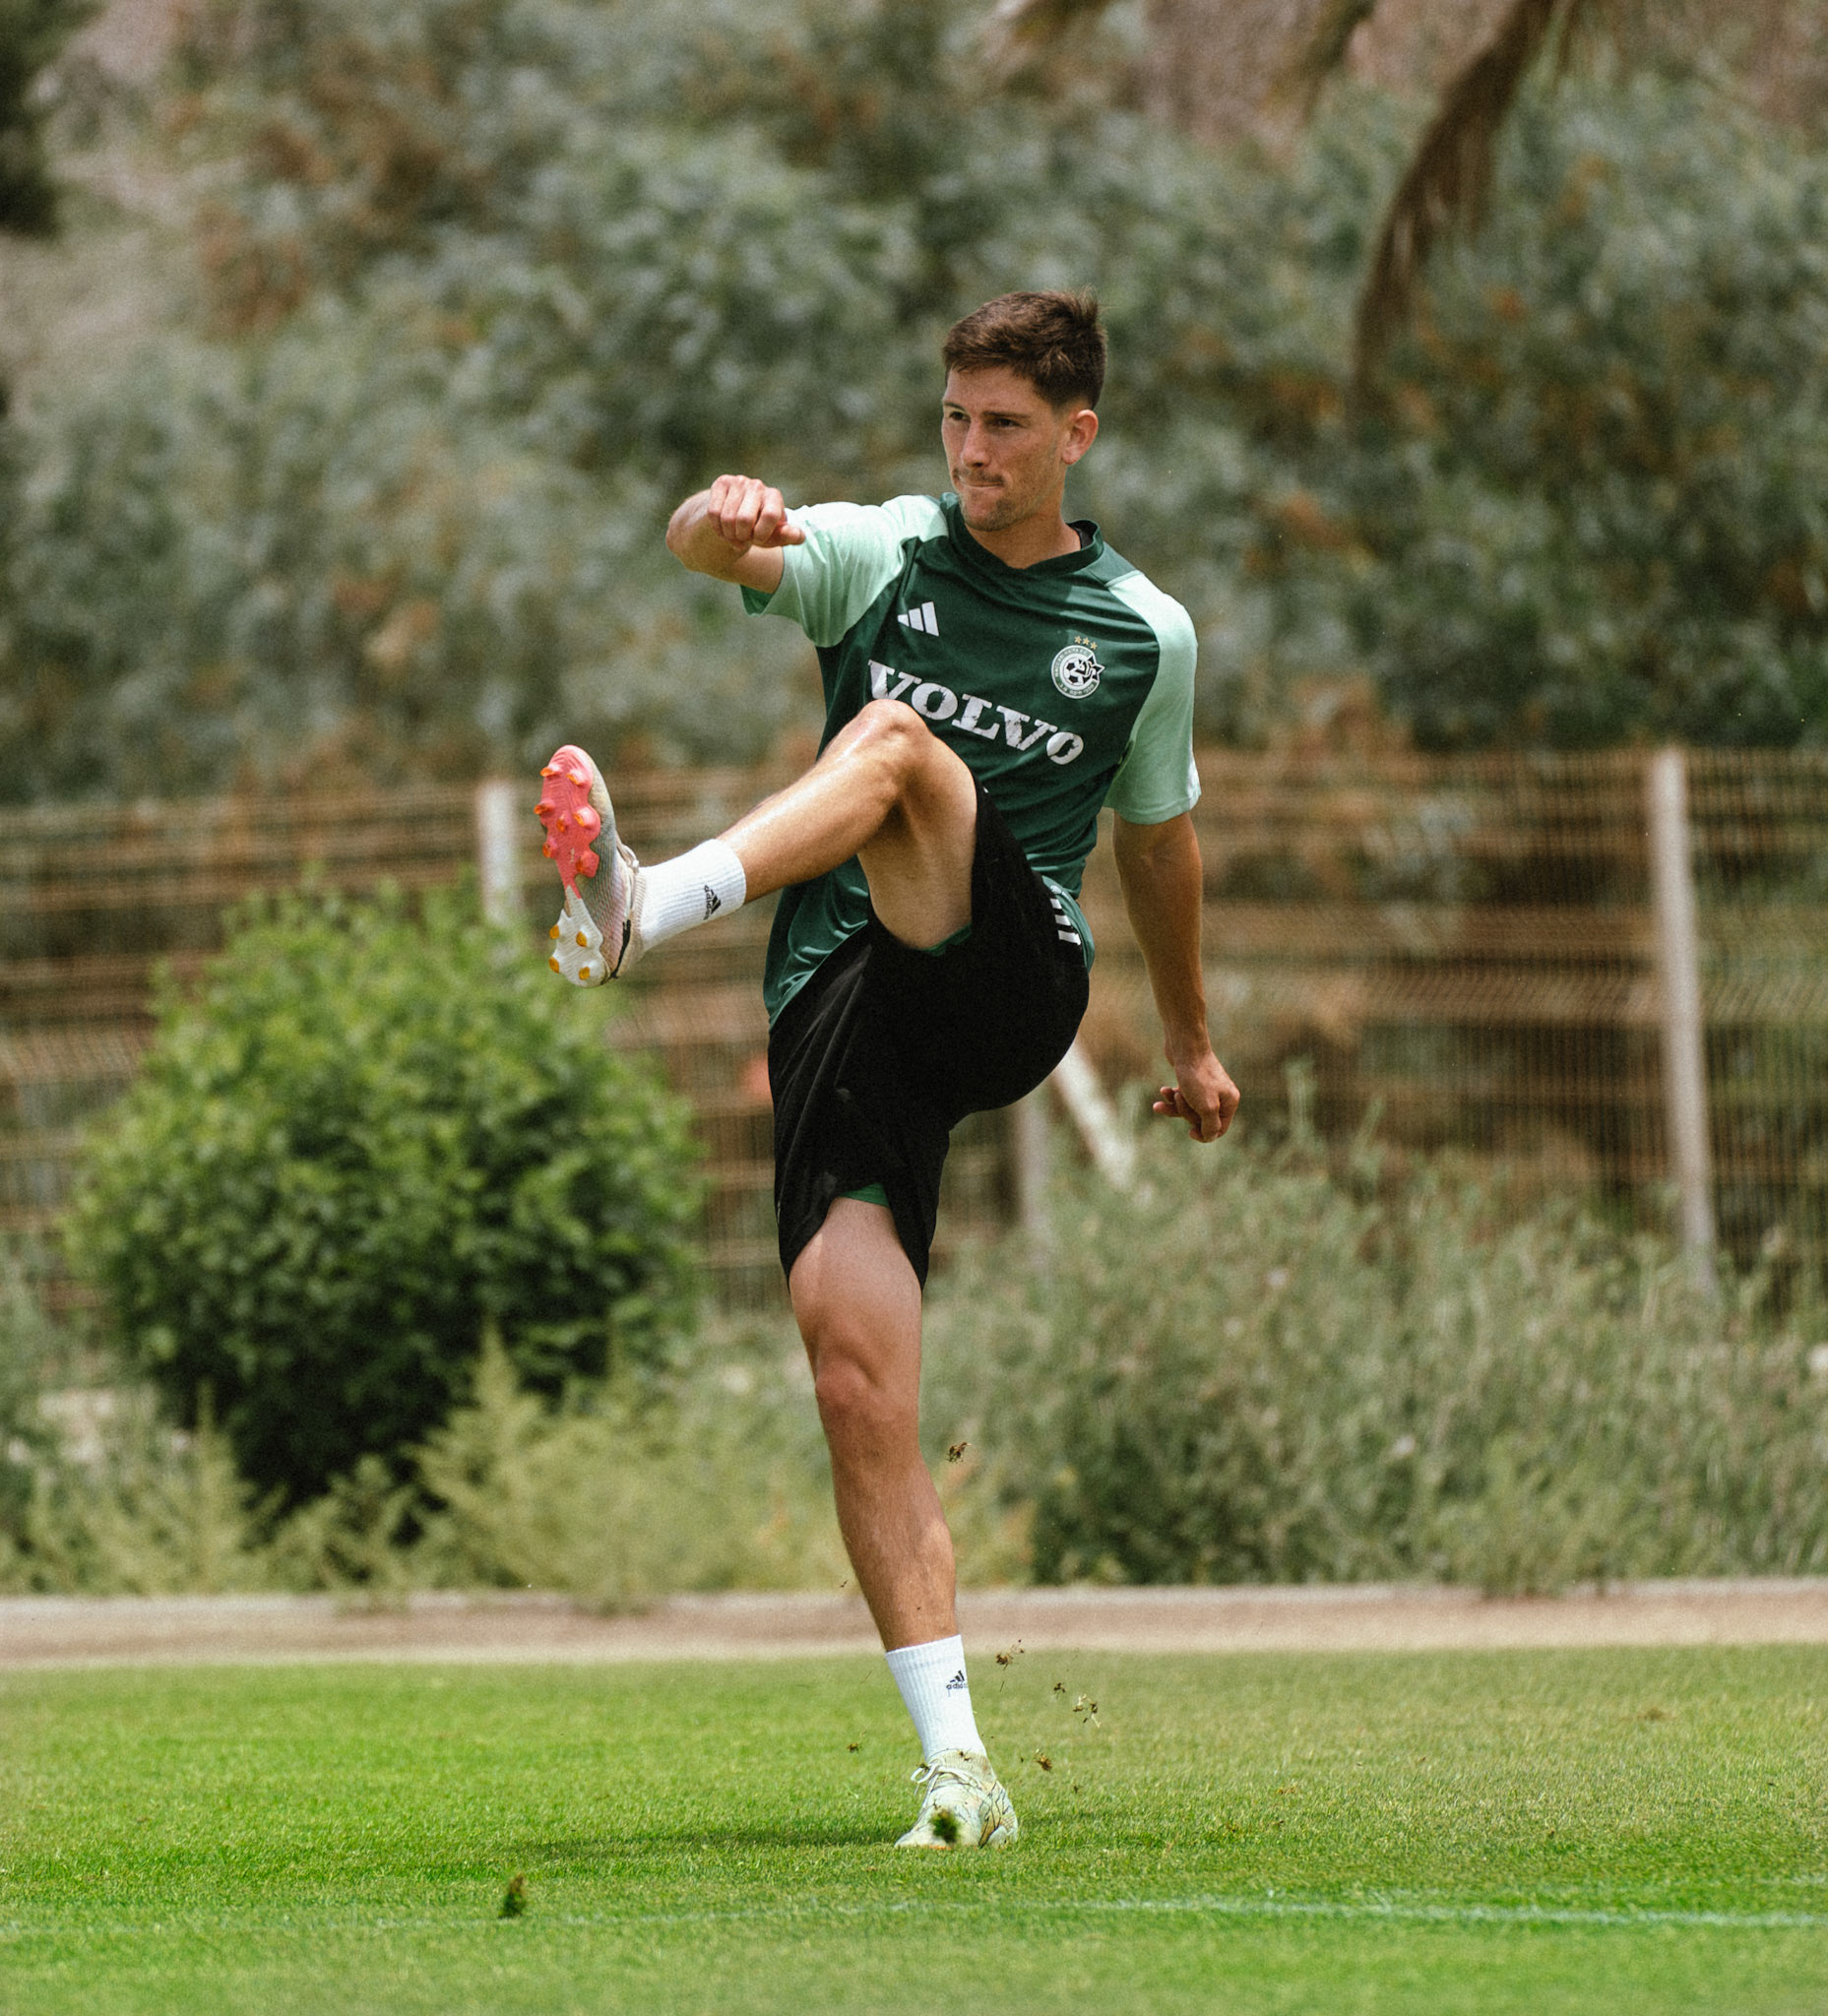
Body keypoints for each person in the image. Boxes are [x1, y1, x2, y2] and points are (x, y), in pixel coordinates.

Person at [535, 288, 1238, 1849]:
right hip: (843, 1013)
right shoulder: (881, 552)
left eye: (1005, 427)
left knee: (904, 748)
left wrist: (1190, 1041)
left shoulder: (1143, 632)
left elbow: (1158, 842)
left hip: (1007, 978)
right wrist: (718, 517)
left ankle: (652, 902)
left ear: (1076, 435)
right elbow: (702, 551)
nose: (971, 452)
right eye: (954, 419)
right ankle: (960, 1771)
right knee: (856, 1383)